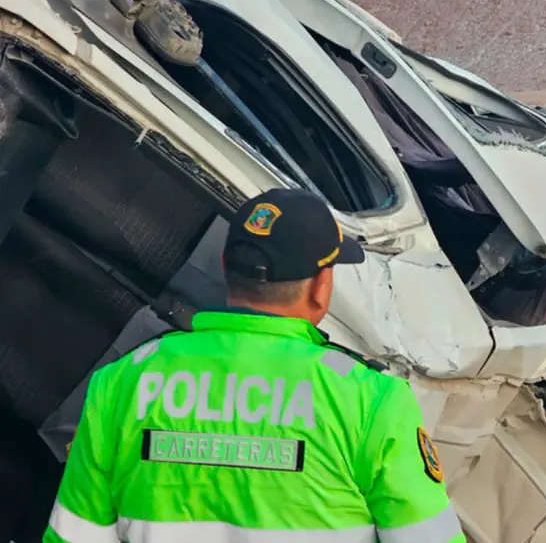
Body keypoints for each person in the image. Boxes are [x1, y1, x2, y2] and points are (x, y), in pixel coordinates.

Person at [42, 188, 466, 543]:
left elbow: (72, 536)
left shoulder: (123, 384)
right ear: (321, 286)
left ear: (227, 269)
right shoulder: (370, 402)